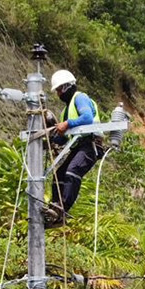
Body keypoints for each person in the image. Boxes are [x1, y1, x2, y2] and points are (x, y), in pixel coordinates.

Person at [44, 69, 104, 227]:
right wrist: (51, 138)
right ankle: (55, 209)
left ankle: (63, 208)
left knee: (72, 170)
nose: (57, 94)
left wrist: (68, 124)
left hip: (91, 144)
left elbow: (87, 118)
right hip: (78, 145)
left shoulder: (80, 98)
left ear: (65, 87)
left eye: (58, 90)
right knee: (59, 175)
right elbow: (63, 138)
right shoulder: (66, 111)